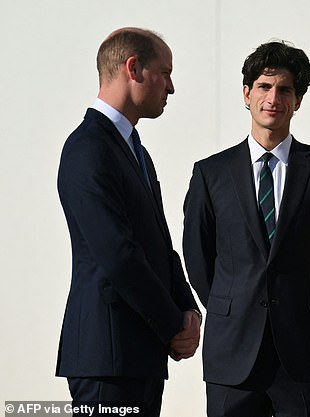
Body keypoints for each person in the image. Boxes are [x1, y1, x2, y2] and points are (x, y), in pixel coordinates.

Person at [183, 40, 310, 417]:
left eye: (284, 89)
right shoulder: (211, 173)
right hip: (232, 355)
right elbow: (197, 257)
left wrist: (308, 309)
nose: (273, 97)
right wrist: (233, 305)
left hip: (305, 352)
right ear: (246, 94)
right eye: (264, 86)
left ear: (297, 101)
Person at [56, 27, 201, 416]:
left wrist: (189, 311)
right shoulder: (88, 148)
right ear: (133, 68)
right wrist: (172, 324)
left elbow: (158, 242)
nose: (171, 87)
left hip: (139, 357)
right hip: (108, 358)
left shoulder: (135, 150)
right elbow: (118, 254)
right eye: (165, 72)